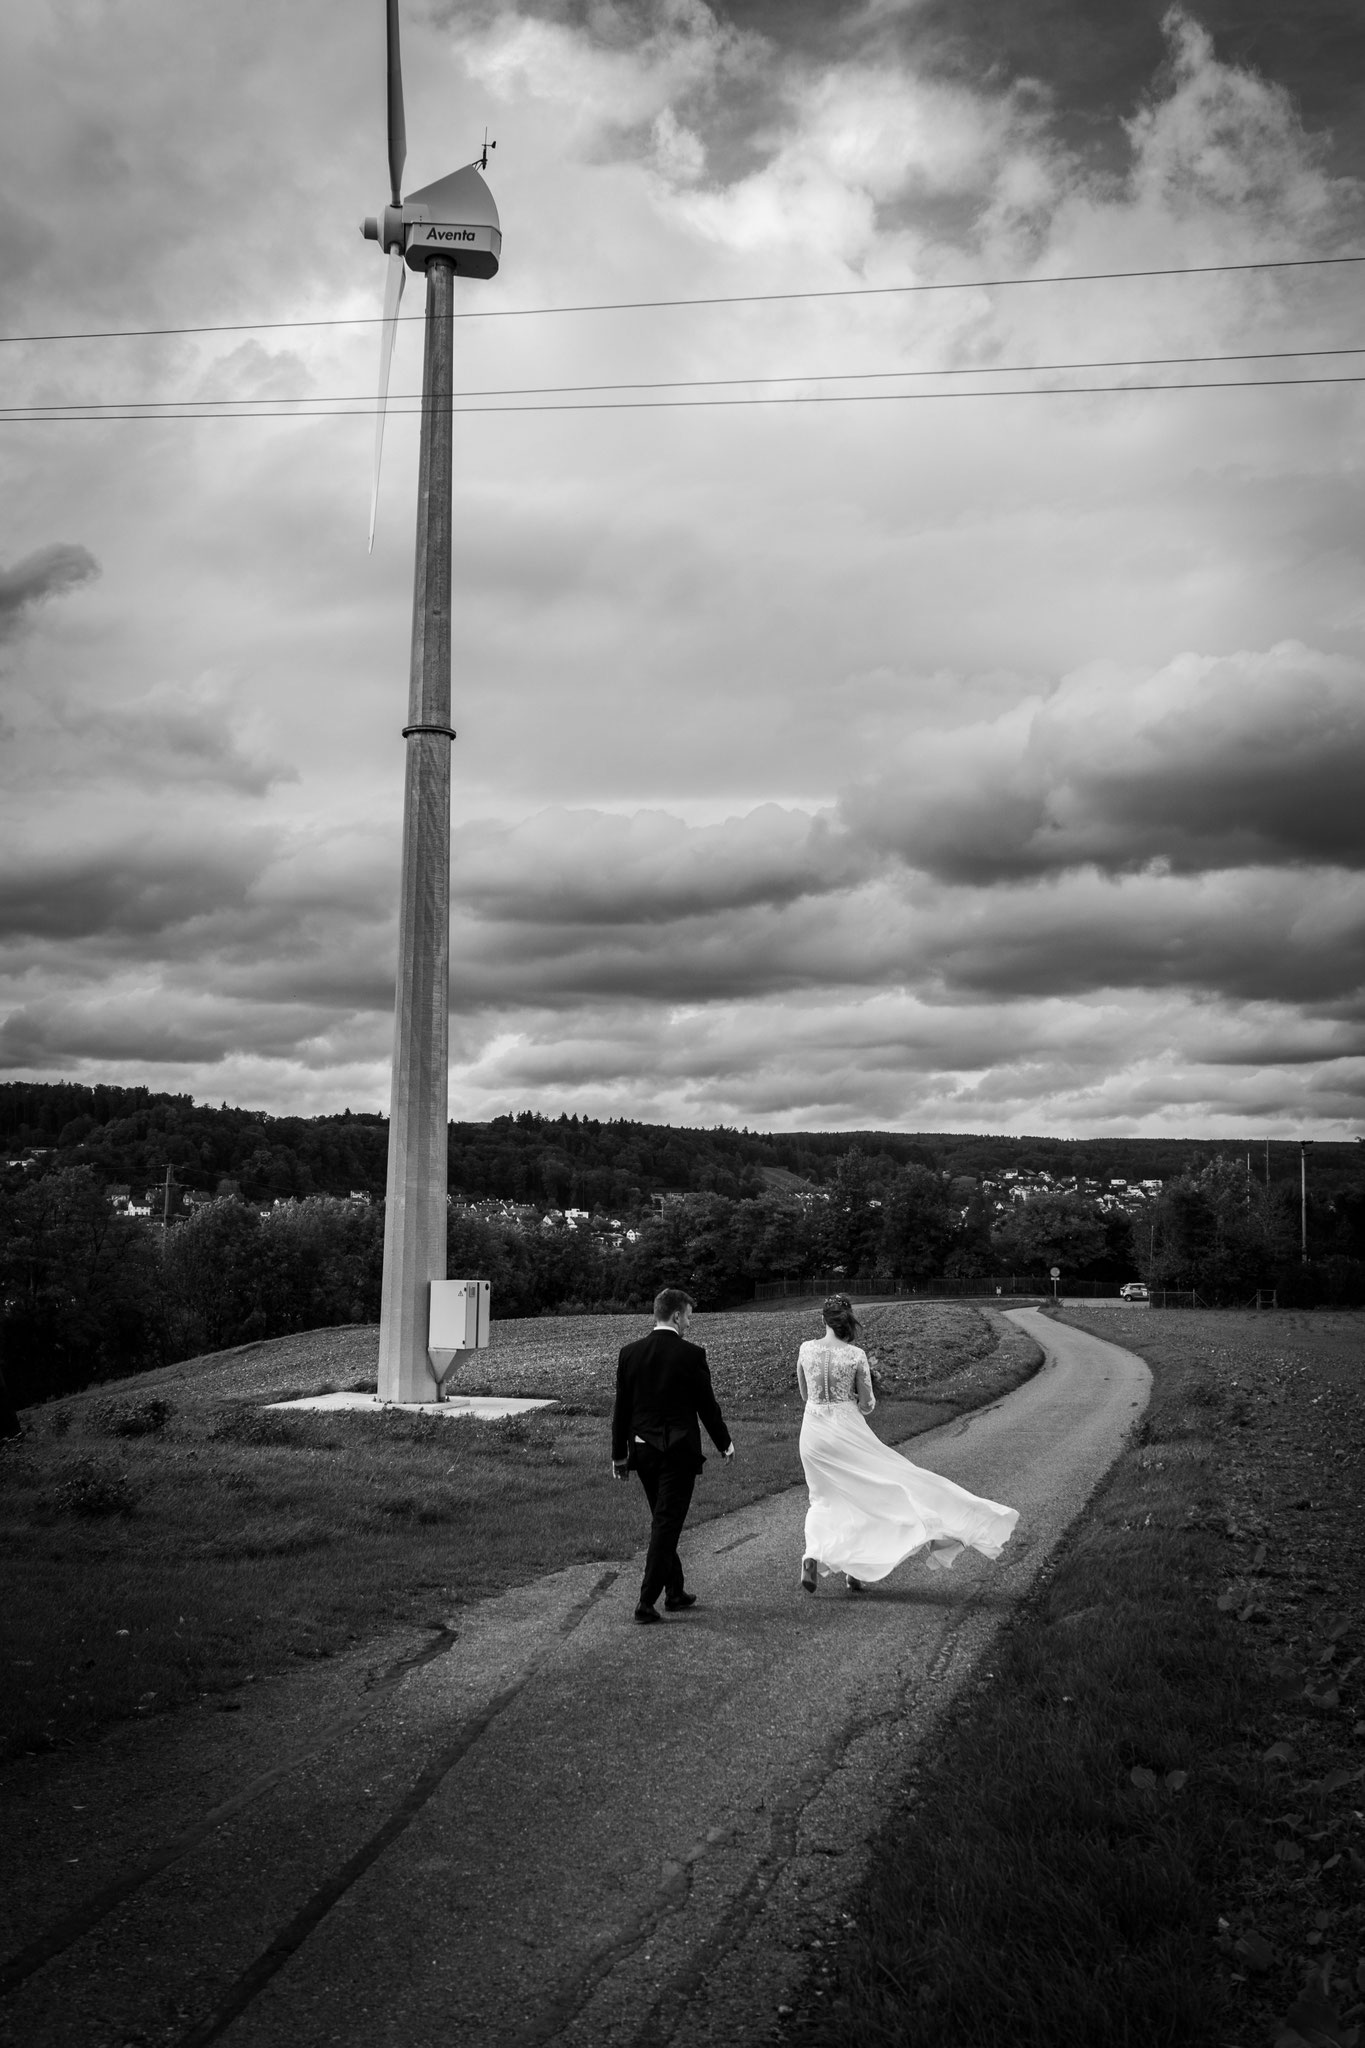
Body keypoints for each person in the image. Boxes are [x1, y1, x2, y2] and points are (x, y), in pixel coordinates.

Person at [797, 1293, 1018, 1595]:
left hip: (813, 1434)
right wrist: (856, 1395)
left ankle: (813, 1556)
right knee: (867, 1497)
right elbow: (867, 1405)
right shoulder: (855, 1355)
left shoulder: (805, 1349)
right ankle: (855, 1569)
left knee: (823, 1498)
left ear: (822, 1319)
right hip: (846, 1432)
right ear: (847, 1320)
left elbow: (805, 1395)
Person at [612, 1287, 735, 1624]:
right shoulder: (691, 1355)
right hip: (678, 1454)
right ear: (677, 1315)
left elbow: (622, 1410)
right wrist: (724, 1442)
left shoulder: (630, 1353)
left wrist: (619, 1455)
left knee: (662, 1521)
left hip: (643, 1451)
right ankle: (646, 1601)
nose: (689, 1324)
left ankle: (675, 1591)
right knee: (666, 1524)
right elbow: (706, 1406)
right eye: (689, 1317)